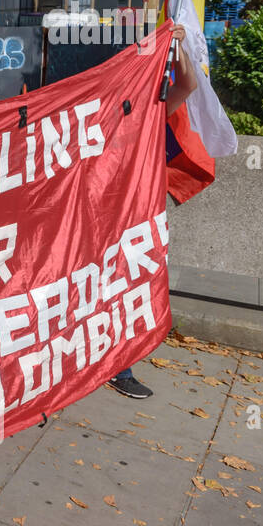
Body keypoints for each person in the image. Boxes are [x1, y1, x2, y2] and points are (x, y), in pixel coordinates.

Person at [105, 24, 199, 401]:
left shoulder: (151, 112)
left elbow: (188, 85)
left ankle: (121, 367)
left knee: (130, 287)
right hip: (100, 223)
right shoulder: (96, 116)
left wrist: (176, 47)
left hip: (136, 223)